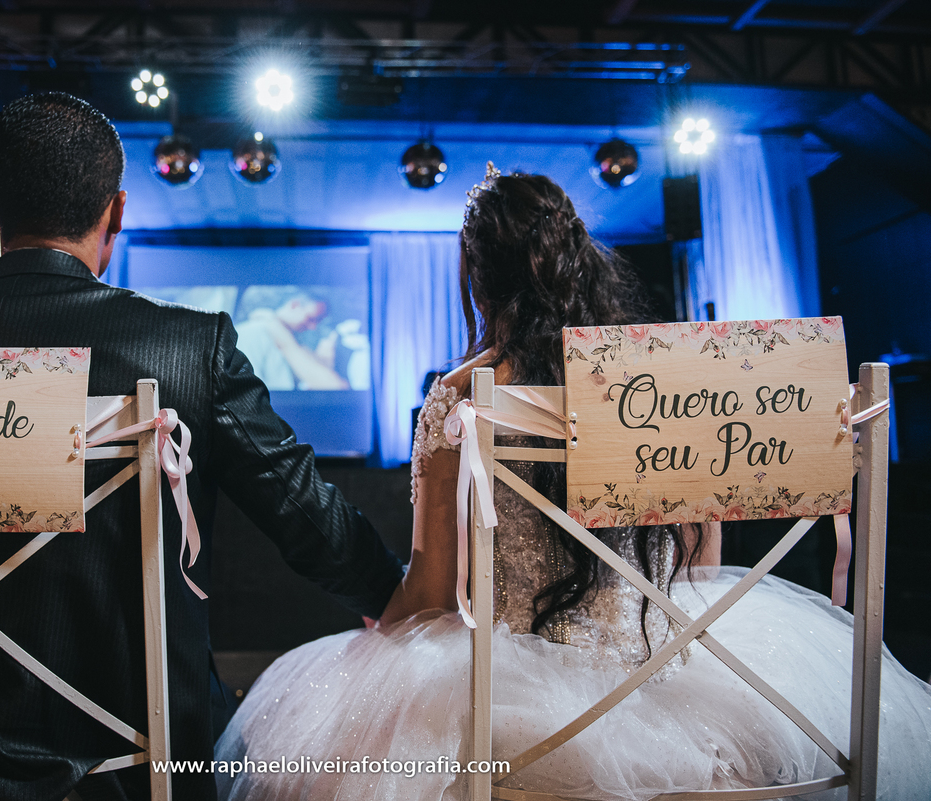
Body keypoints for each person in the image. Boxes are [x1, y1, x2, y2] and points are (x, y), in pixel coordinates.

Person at [214, 168, 931, 799]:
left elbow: (432, 589)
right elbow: (700, 566)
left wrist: (380, 634)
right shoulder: (660, 384)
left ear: (477, 278)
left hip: (510, 715)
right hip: (671, 693)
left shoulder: (460, 399)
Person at [0, 93, 404, 801]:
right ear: (118, 211)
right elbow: (307, 518)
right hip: (136, 755)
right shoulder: (187, 348)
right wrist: (394, 590)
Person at [235, 291, 349, 390]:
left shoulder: (296, 342)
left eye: (317, 322)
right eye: (310, 319)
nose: (313, 327)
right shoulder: (253, 332)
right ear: (295, 305)